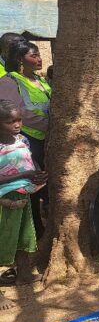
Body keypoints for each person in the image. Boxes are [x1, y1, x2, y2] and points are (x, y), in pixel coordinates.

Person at [0, 40, 51, 236]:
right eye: (34, 55)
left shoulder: (42, 81)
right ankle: (32, 231)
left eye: (39, 54)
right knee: (28, 186)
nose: (39, 59)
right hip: (27, 141)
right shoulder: (9, 82)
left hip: (46, 139)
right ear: (20, 59)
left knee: (43, 184)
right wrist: (50, 126)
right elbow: (18, 114)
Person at [0, 100, 47, 311]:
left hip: (24, 195)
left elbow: (30, 162)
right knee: (2, 241)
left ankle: (24, 274)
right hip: (3, 199)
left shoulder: (22, 140)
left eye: (19, 120)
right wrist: (23, 175)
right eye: (11, 122)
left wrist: (37, 175)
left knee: (22, 236)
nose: (17, 125)